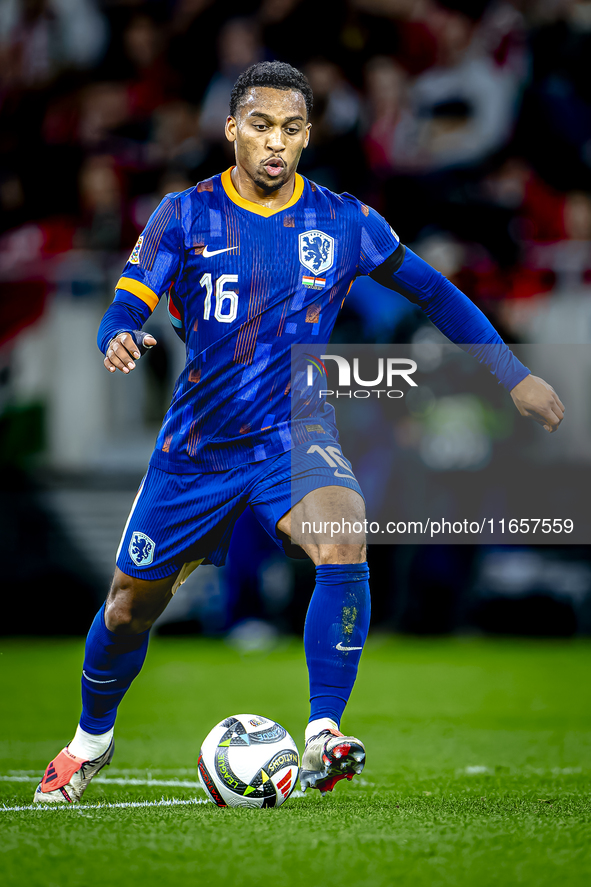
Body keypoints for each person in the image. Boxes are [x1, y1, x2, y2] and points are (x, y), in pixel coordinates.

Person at [34, 61, 564, 805]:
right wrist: (119, 332)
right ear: (231, 129)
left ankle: (323, 732)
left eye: (290, 128)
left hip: (292, 435)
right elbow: (128, 300)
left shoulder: (345, 221)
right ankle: (90, 740)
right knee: (126, 608)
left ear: (308, 134)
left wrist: (514, 375)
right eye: (259, 125)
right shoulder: (182, 215)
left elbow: (436, 293)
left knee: (345, 536)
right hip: (195, 452)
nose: (274, 142)